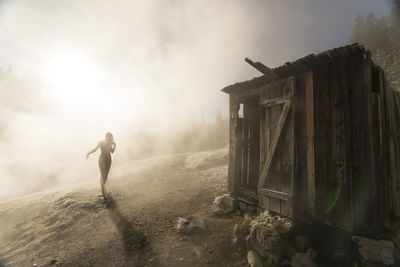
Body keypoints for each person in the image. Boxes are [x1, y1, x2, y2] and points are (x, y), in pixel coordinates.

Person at [86, 132, 116, 198]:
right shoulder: (101, 142)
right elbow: (95, 149)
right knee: (103, 174)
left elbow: (112, 152)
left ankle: (103, 190)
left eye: (111, 137)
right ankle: (103, 193)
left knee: (106, 175)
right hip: (102, 159)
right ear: (106, 137)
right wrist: (89, 153)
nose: (111, 138)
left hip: (108, 159)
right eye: (110, 137)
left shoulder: (110, 143)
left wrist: (114, 145)